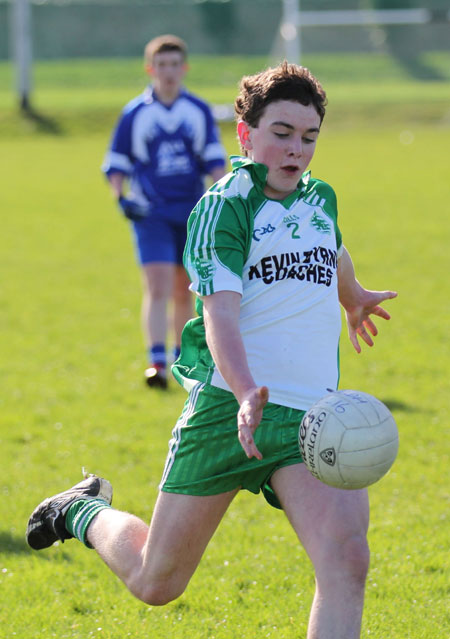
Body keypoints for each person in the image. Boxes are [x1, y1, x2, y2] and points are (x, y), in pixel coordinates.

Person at [27, 62, 397, 638]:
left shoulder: (320, 199)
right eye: (282, 133)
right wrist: (248, 391)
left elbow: (332, 246)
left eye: (309, 137)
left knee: (346, 562)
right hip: (230, 409)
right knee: (157, 583)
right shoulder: (224, 208)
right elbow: (218, 313)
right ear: (245, 134)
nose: (296, 149)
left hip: (315, 421)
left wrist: (352, 296)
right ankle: (81, 510)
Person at [102, 34, 226, 388]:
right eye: (162, 65)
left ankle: (180, 361)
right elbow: (116, 163)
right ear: (150, 69)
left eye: (175, 65)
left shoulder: (198, 111)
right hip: (151, 213)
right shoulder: (135, 113)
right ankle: (155, 362)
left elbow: (215, 161)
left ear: (184, 68)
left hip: (192, 213)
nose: (168, 72)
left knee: (183, 289)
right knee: (156, 286)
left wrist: (225, 196)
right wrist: (120, 198)